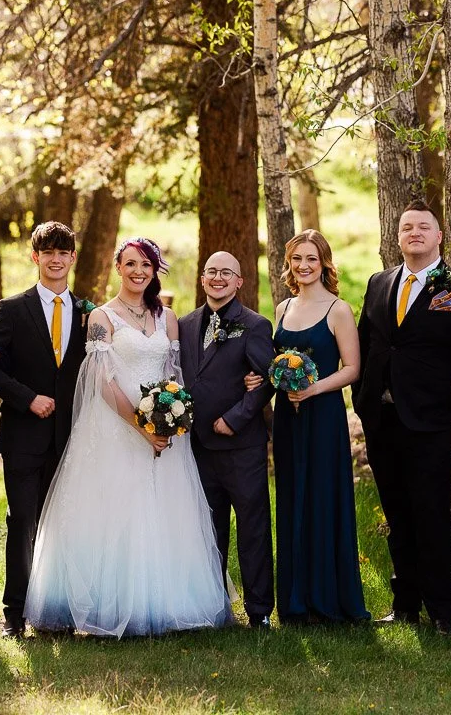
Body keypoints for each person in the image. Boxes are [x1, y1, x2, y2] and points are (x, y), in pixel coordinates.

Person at [24, 237, 231, 637]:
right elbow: (102, 381)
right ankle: (107, 604)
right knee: (111, 512)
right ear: (118, 267)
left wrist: (168, 420)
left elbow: (174, 375)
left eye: (146, 265)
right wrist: (141, 426)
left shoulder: (168, 317)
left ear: (155, 271)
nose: (139, 271)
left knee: (165, 511)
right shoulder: (101, 317)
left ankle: (167, 602)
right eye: (131, 263)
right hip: (114, 427)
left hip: (164, 429)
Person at [352, 202, 451, 635]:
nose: (414, 232)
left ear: (438, 236)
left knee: (431, 515)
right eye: (406, 227)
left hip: (434, 423)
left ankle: (442, 612)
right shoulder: (379, 283)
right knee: (397, 515)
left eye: (423, 227)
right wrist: (363, 403)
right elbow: (367, 344)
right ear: (397, 237)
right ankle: (405, 605)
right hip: (383, 420)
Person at [0, 222, 88, 639]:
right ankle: (14, 613)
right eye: (48, 252)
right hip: (24, 434)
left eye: (62, 253)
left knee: (64, 524)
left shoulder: (88, 312)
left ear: (72, 258)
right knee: (22, 521)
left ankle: (58, 611)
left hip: (71, 437)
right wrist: (28, 399)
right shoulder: (12, 308)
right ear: (34, 256)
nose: (55, 260)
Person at [268, 230, 369, 624]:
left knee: (322, 497)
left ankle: (328, 599)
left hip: (323, 414)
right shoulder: (282, 308)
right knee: (292, 496)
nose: (303, 266)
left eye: (311, 258)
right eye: (297, 258)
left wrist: (313, 389)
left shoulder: (338, 310)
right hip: (288, 416)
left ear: (324, 263)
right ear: (289, 263)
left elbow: (352, 368)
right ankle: (295, 600)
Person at [179, 251, 276, 628]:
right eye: (211, 272)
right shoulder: (186, 324)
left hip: (241, 447)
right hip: (198, 446)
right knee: (208, 529)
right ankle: (212, 606)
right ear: (202, 278)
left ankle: (259, 611)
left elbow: (267, 380)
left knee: (252, 528)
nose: (218, 278)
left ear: (239, 281)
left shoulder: (254, 325)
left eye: (226, 273)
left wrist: (234, 419)